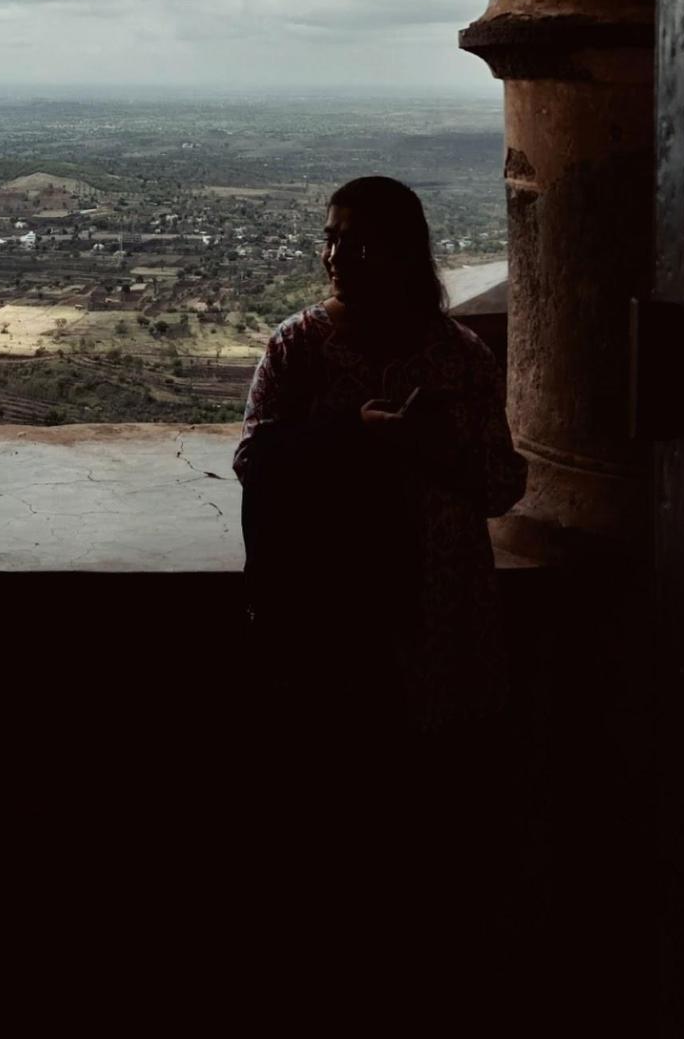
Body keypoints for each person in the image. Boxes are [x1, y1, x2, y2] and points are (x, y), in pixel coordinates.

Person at [233, 175, 528, 1007]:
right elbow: (253, 457)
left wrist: (433, 451)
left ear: (403, 252)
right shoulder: (300, 346)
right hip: (336, 623)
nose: (336, 255)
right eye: (330, 237)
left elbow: (501, 484)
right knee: (343, 835)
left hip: (442, 627)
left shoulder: (459, 358)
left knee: (436, 837)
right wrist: (354, 434)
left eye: (356, 240)